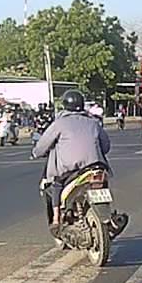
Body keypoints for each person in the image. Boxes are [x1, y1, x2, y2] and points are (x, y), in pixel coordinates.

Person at [32, 90, 112, 231]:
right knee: (102, 183)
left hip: (70, 170)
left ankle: (56, 218)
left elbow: (41, 147)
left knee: (56, 184)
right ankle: (109, 217)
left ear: (64, 105)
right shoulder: (93, 123)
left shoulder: (59, 124)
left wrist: (35, 153)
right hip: (96, 166)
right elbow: (105, 147)